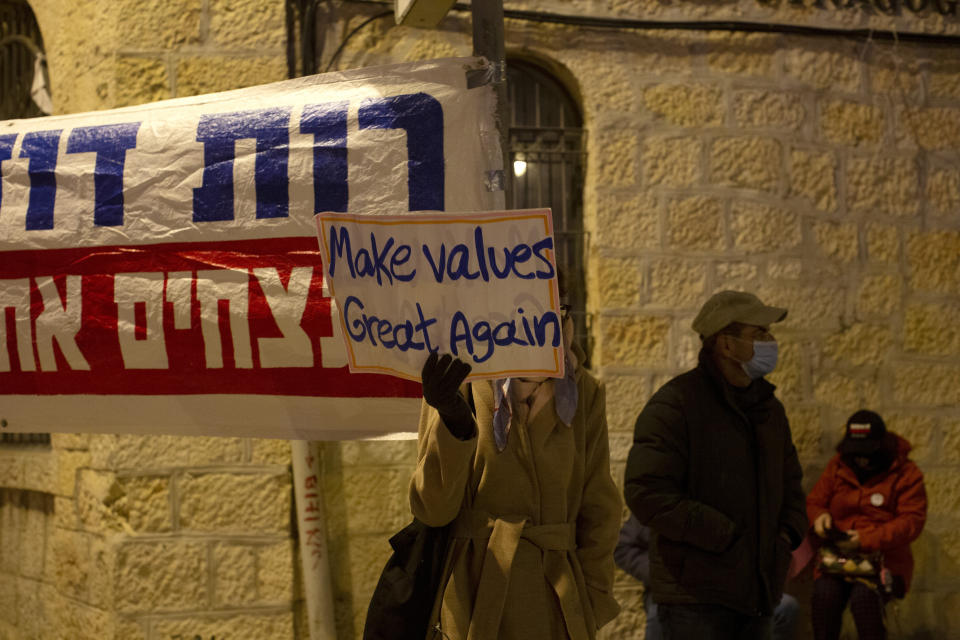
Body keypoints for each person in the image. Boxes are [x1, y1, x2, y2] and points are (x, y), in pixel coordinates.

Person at [409, 294, 621, 640]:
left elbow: (599, 506)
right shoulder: (460, 381)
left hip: (559, 605)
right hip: (475, 599)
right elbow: (432, 509)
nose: (534, 315)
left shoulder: (583, 391)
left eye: (553, 304)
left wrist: (593, 599)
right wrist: (451, 420)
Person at [623, 290, 808, 640]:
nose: (771, 342)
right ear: (726, 344)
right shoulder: (676, 405)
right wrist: (722, 534)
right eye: (759, 334)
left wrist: (784, 538)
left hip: (757, 591)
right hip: (695, 596)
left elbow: (791, 485)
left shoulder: (769, 410)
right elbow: (646, 491)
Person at [807, 410, 927, 640]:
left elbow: (912, 521)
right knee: (824, 597)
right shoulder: (838, 466)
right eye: (856, 453)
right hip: (837, 560)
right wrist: (819, 517)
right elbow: (815, 502)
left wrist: (865, 539)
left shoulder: (906, 473)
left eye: (867, 453)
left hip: (883, 563)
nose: (861, 459)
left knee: (865, 601)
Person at [615, 514, 801, 640]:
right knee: (663, 616)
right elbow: (624, 547)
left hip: (727, 592)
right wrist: (664, 575)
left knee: (785, 609)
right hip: (672, 593)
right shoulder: (661, 494)